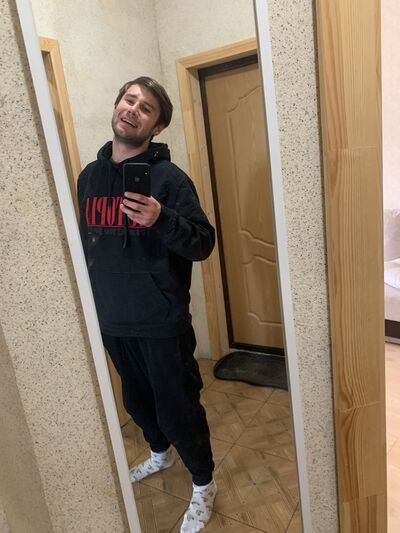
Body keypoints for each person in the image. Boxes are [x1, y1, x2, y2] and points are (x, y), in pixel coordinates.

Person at [77, 77, 216, 533]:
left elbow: (202, 243)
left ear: (157, 127)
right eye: (129, 99)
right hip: (112, 319)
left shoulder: (170, 180)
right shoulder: (89, 177)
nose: (133, 109)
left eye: (147, 107)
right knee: (136, 402)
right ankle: (159, 453)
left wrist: (162, 217)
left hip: (161, 321)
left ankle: (203, 482)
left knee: (179, 409)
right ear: (118, 105)